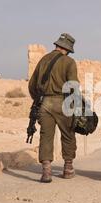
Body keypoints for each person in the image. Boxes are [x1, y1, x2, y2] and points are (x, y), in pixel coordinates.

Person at [28, 33, 79, 183]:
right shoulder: (69, 62)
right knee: (68, 135)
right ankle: (68, 168)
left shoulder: (43, 60)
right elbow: (73, 86)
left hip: (45, 103)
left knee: (46, 136)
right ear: (68, 49)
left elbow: (32, 85)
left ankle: (46, 171)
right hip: (63, 102)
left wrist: (38, 100)